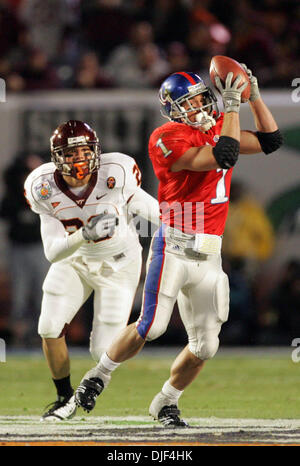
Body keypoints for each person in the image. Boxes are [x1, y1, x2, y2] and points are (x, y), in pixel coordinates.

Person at [74, 65, 283, 426]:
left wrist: (256, 96)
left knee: (206, 346)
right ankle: (99, 375)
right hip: (174, 245)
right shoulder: (167, 137)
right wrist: (234, 106)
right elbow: (226, 155)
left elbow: (271, 141)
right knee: (151, 326)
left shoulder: (219, 127)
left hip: (211, 253)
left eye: (203, 97)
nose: (200, 106)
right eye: (190, 102)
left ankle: (167, 401)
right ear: (172, 109)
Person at [24, 120, 159, 421]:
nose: (78, 160)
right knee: (48, 327)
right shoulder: (43, 186)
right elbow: (52, 251)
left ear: (96, 151)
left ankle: (97, 378)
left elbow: (151, 210)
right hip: (74, 260)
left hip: (119, 264)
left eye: (84, 151)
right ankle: (63, 397)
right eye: (70, 154)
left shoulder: (117, 172)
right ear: (57, 158)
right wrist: (85, 235)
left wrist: (177, 233)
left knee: (104, 350)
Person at [0, 152, 49, 346]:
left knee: (42, 291)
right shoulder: (13, 194)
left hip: (40, 248)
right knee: (19, 293)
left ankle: (43, 334)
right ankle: (19, 334)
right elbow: (5, 211)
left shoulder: (43, 192)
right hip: (18, 249)